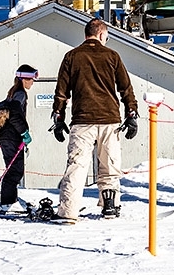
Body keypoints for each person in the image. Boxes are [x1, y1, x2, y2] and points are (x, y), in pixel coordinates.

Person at [51, 18, 138, 221]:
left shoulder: (71, 56)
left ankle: (68, 211)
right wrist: (131, 114)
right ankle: (110, 206)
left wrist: (58, 116)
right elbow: (126, 88)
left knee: (77, 166)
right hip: (110, 120)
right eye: (106, 37)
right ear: (101, 34)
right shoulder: (112, 56)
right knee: (109, 165)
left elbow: (61, 92)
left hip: (82, 121)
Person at [0, 64, 37, 214]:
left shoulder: (14, 92)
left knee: (14, 169)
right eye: (31, 78)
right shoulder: (20, 94)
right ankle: (7, 202)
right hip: (11, 136)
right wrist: (24, 133)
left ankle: (10, 200)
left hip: (8, 136)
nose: (32, 82)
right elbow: (14, 114)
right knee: (15, 170)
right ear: (24, 79)